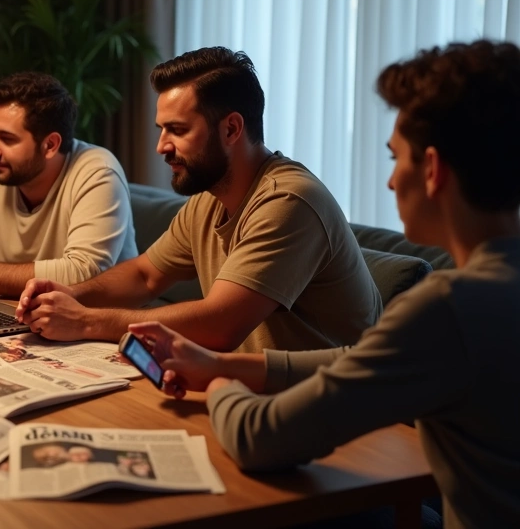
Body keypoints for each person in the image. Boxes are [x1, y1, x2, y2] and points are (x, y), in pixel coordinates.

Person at [129, 41, 520, 528]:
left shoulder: (450, 308)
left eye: (394, 158)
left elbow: (260, 439)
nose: (391, 184)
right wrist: (221, 363)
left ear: (434, 170)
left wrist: (221, 380)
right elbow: (351, 362)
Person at [17, 48, 381, 352]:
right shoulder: (209, 197)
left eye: (177, 130)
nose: (161, 146)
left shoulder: (288, 202)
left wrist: (84, 320)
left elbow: (219, 325)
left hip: (338, 411)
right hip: (253, 388)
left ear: (231, 129)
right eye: (161, 129)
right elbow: (145, 276)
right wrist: (70, 295)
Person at [0, 72, 138, 297]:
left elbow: (83, 271)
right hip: (22, 311)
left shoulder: (98, 172)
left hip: (102, 322)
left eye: (7, 139)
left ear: (50, 145)